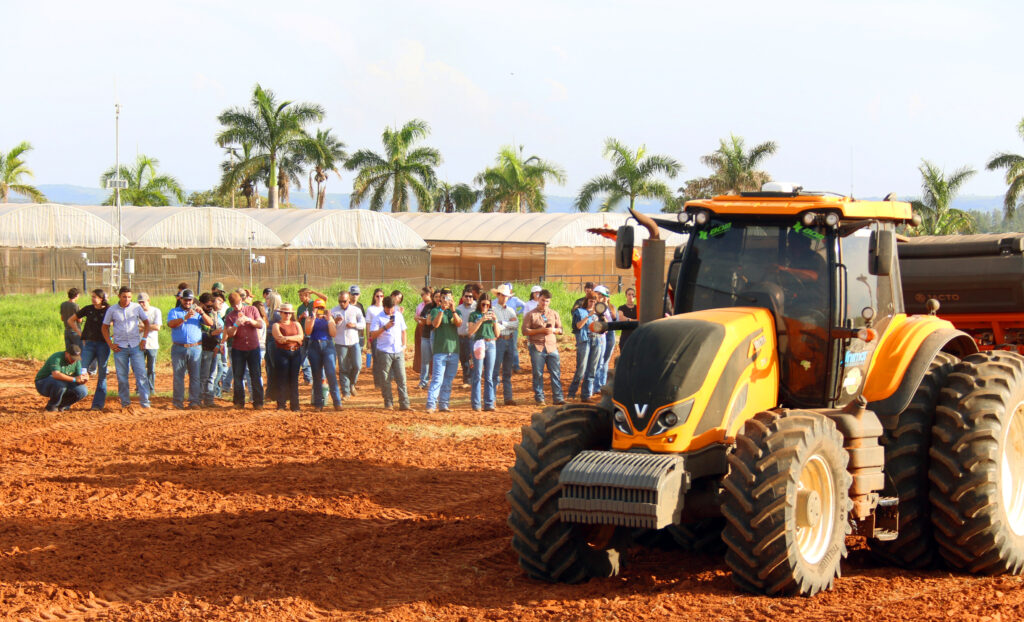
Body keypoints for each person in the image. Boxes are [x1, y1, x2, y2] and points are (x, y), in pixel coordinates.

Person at [101, 286, 153, 409]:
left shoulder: (136, 307)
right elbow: (104, 327)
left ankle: (145, 403)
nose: (127, 299)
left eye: (129, 297)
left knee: (141, 375)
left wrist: (144, 339)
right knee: (122, 377)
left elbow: (146, 323)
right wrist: (110, 343)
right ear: (119, 296)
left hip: (136, 346)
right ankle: (125, 403)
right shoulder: (112, 310)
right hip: (120, 347)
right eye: (124, 296)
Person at [166, 289, 213, 409]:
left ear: (193, 300)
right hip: (178, 347)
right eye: (185, 299)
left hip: (195, 348)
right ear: (181, 299)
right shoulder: (174, 311)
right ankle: (178, 402)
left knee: (195, 376)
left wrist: (202, 313)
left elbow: (210, 323)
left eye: (190, 300)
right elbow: (171, 324)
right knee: (178, 376)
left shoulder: (197, 312)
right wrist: (185, 318)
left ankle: (194, 402)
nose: (187, 302)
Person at [68, 289, 110, 410]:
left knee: (102, 375)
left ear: (101, 298)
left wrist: (111, 337)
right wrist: (80, 333)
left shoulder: (108, 309)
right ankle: (68, 400)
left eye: (95, 297)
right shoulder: (88, 309)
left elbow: (114, 323)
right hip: (89, 345)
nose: (93, 299)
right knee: (80, 370)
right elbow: (70, 320)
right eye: (92, 296)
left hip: (103, 344)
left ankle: (97, 405)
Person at [522, 289, 565, 406]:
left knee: (555, 373)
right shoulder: (530, 314)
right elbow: (524, 331)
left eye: (547, 301)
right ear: (538, 299)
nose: (544, 303)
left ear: (549, 302)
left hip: (552, 346)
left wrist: (554, 330)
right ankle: (540, 398)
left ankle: (558, 397)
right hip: (537, 346)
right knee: (538, 373)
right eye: (542, 300)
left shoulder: (554, 313)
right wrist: (540, 330)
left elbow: (561, 329)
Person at [224, 290, 265, 410]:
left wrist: (250, 321)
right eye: (234, 305)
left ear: (241, 300)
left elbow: (260, 324)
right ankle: (238, 402)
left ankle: (258, 402)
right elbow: (230, 333)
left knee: (255, 375)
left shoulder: (252, 309)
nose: (236, 307)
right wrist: (236, 324)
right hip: (238, 348)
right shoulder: (230, 316)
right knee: (238, 376)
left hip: (253, 347)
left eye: (237, 303)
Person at [369, 295, 410, 411]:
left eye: (392, 308)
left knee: (401, 378)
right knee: (385, 379)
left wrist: (404, 346)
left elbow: (403, 331)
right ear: (384, 307)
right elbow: (372, 335)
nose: (391, 311)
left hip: (398, 351)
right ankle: (388, 403)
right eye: (388, 308)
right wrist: (385, 327)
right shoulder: (378, 318)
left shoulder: (398, 315)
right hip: (384, 352)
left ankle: (405, 404)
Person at [425, 288, 462, 413]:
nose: (446, 300)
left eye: (449, 297)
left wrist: (453, 310)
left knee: (448, 380)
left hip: (454, 350)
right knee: (437, 379)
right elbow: (435, 324)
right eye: (444, 297)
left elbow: (458, 323)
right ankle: (431, 404)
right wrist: (442, 309)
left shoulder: (455, 312)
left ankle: (444, 404)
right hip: (440, 350)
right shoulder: (435, 310)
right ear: (440, 299)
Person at [305, 298, 342, 411]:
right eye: (317, 308)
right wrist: (313, 317)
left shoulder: (328, 319)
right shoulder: (309, 318)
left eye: (322, 308)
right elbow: (308, 331)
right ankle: (318, 403)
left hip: (328, 345)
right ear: (313, 308)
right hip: (314, 345)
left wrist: (330, 319)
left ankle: (337, 402)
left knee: (331, 373)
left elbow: (333, 333)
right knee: (317, 376)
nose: (320, 310)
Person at [566, 293, 605, 402]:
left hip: (596, 339)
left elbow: (604, 329)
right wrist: (589, 315)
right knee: (581, 369)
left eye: (594, 301)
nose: (592, 303)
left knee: (592, 369)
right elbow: (578, 326)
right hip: (584, 340)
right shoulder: (579, 311)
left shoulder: (598, 314)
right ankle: (571, 393)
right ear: (586, 301)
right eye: (591, 301)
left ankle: (586, 395)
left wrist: (603, 318)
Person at [35, 345, 88, 412]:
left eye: (76, 358)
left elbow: (79, 377)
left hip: (62, 382)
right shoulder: (57, 357)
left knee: (83, 390)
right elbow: (56, 375)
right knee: (60, 384)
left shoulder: (76, 361)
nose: (74, 361)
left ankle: (62, 405)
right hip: (42, 383)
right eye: (72, 358)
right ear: (66, 353)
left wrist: (83, 379)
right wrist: (74, 379)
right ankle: (52, 406)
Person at [467, 293, 497, 411]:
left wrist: (495, 321)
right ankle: (476, 404)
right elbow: (470, 331)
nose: (485, 306)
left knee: (489, 375)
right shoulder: (473, 315)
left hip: (491, 343)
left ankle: (489, 403)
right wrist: (481, 319)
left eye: (487, 305)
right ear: (479, 304)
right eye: (483, 304)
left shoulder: (492, 315)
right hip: (479, 343)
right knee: (477, 374)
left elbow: (497, 334)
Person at [331, 291, 364, 398]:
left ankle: (351, 384)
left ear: (349, 300)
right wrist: (335, 322)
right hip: (340, 343)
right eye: (340, 301)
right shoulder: (334, 311)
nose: (342, 303)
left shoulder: (356, 310)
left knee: (357, 365)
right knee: (343, 368)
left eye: (344, 301)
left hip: (354, 342)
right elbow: (329, 327)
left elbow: (362, 324)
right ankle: (346, 392)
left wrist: (354, 325)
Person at [490, 284, 519, 406]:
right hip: (499, 340)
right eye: (503, 295)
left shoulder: (511, 310)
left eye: (507, 296)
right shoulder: (493, 310)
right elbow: (496, 326)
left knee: (507, 370)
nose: (505, 298)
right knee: (495, 371)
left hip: (509, 339)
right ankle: (492, 398)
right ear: (498, 295)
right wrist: (507, 324)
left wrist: (503, 323)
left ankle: (508, 398)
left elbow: (516, 324)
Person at [272, 302, 303, 411]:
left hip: (295, 352)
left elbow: (301, 337)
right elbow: (279, 338)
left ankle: (295, 405)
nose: (288, 315)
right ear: (280, 313)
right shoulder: (276, 325)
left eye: (289, 313)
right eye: (285, 313)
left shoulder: (296, 324)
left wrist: (287, 338)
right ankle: (281, 404)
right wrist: (294, 338)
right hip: (282, 353)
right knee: (282, 378)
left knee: (294, 379)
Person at [197, 292, 224, 408]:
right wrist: (212, 333)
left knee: (212, 376)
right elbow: (199, 334)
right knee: (204, 376)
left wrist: (218, 344)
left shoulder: (213, 314)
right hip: (204, 348)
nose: (210, 308)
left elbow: (219, 331)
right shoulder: (199, 316)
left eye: (211, 306)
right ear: (201, 304)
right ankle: (200, 400)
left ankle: (209, 400)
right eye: (208, 306)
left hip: (214, 348)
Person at [297, 288, 327, 385]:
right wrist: (301, 317)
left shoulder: (315, 303)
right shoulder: (300, 308)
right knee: (302, 357)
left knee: (316, 357)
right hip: (303, 335)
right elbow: (297, 321)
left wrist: (314, 291)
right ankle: (308, 378)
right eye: (300, 295)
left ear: (307, 295)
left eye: (302, 295)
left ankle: (322, 378)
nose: (300, 297)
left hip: (314, 334)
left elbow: (325, 298)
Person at [138, 292, 162, 393]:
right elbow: (135, 328)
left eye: (143, 302)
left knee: (151, 368)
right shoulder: (136, 312)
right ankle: (140, 389)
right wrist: (148, 326)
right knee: (139, 368)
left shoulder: (156, 311)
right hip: (139, 343)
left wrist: (143, 326)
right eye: (139, 302)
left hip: (152, 344)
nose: (141, 304)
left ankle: (151, 389)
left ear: (148, 301)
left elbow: (157, 327)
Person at [593, 285, 615, 390]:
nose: (602, 297)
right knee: (599, 360)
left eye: (603, 295)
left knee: (605, 360)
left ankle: (602, 383)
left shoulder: (611, 307)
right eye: (600, 294)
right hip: (600, 334)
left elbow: (615, 321)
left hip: (610, 333)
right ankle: (596, 385)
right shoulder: (595, 307)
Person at [415, 287, 436, 389]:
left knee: (437, 360)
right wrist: (420, 320)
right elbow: (421, 319)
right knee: (425, 360)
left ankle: (435, 382)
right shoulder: (427, 307)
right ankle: (423, 382)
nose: (437, 298)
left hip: (437, 337)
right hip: (426, 336)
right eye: (435, 297)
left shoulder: (442, 308)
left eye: (438, 297)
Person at [455, 288, 476, 389]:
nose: (468, 298)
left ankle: (470, 380)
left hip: (472, 338)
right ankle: (467, 380)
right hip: (460, 337)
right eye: (466, 296)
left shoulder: (477, 307)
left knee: (471, 359)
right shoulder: (458, 309)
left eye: (470, 296)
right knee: (463, 359)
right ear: (463, 297)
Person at [503, 283, 527, 373]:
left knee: (513, 346)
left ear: (511, 290)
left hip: (512, 325)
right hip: (503, 326)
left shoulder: (514, 300)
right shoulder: (498, 300)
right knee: (502, 345)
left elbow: (524, 306)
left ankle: (516, 366)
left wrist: (518, 313)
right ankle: (506, 366)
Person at [365, 288, 386, 386]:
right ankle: (377, 381)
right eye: (377, 296)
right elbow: (368, 325)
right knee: (377, 359)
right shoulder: (370, 309)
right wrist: (368, 339)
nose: (379, 298)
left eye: (381, 296)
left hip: (385, 337)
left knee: (385, 358)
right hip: (374, 337)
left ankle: (385, 380)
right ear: (374, 297)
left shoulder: (386, 308)